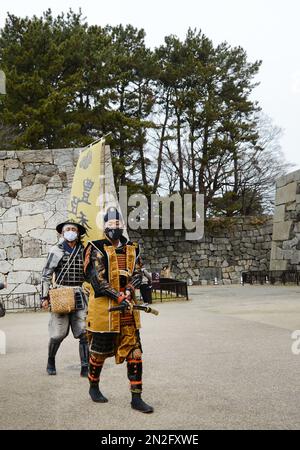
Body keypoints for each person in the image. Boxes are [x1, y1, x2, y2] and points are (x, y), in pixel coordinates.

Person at [83, 207, 154, 413]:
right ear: (104, 226)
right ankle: (93, 387)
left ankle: (136, 398)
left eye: (117, 224)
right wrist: (118, 296)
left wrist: (130, 290)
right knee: (98, 352)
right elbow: (97, 280)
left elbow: (139, 272)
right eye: (110, 224)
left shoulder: (133, 247)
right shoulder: (94, 247)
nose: (114, 227)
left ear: (122, 225)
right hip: (105, 310)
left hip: (128, 310)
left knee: (135, 352)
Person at [40, 220, 89, 377]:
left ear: (78, 233)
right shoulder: (56, 250)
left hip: (79, 293)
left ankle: (85, 366)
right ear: (62, 233)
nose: (71, 231)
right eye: (67, 229)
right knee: (58, 333)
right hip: (61, 293)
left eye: (74, 229)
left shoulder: (85, 250)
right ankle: (51, 360)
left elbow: (90, 272)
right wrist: (44, 296)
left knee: (84, 332)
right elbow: (46, 275)